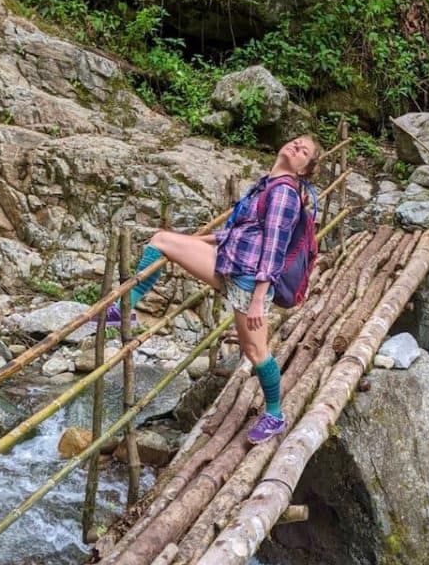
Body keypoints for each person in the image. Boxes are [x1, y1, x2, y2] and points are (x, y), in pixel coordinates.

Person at [109, 135, 322, 444]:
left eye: (304, 151)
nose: (296, 147)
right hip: (231, 262)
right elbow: (244, 231)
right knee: (162, 240)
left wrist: (259, 299)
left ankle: (275, 414)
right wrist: (200, 240)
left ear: (304, 170)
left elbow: (274, 248)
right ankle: (123, 310)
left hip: (249, 280)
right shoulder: (267, 184)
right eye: (296, 142)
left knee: (256, 351)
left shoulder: (285, 194)